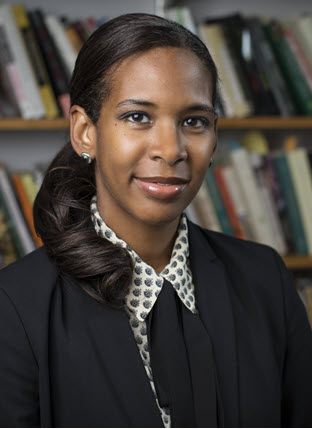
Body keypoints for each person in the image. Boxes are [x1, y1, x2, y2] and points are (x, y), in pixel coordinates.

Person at [0, 13, 312, 428]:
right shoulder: (15, 306)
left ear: (215, 136)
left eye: (193, 121)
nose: (171, 149)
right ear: (84, 132)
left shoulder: (265, 278)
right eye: (138, 117)